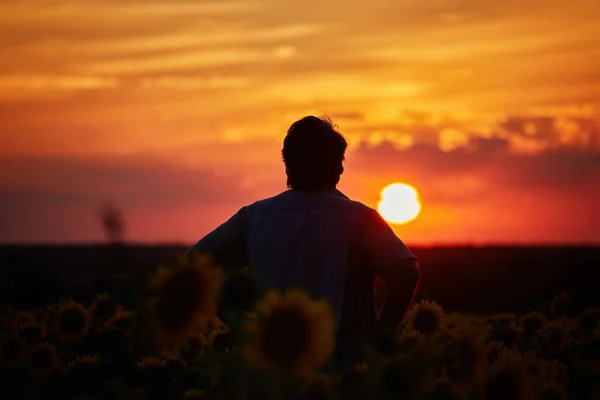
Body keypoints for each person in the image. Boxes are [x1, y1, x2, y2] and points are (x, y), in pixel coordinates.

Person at [187, 116, 420, 362]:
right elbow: (405, 271)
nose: (341, 168)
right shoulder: (360, 219)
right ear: (335, 166)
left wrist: (239, 323)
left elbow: (193, 265)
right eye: (339, 161)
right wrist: (378, 338)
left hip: (268, 365)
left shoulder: (255, 217)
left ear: (288, 165)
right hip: (343, 367)